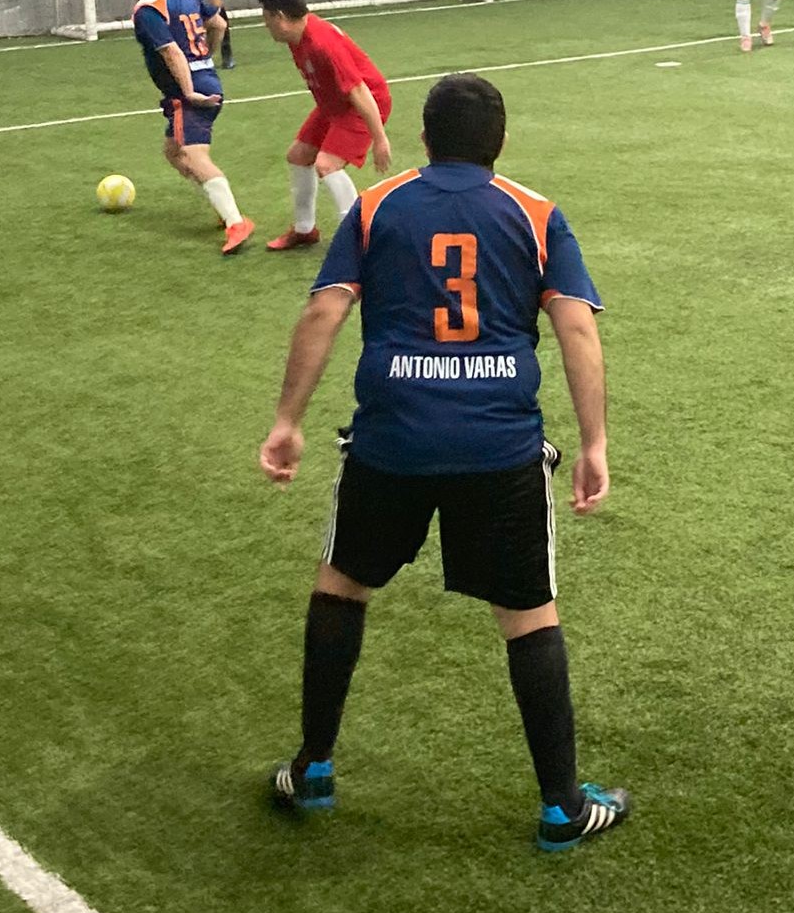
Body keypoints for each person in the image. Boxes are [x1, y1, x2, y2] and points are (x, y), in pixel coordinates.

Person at [258, 72, 631, 852]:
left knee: (342, 586)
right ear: (501, 143)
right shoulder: (536, 213)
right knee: (528, 614)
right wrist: (594, 443)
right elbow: (576, 328)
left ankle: (313, 766)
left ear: (424, 139)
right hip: (499, 449)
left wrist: (287, 420)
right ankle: (561, 806)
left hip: (391, 440)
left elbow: (325, 309)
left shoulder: (377, 205)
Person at [117, 0, 254, 254]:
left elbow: (171, 51)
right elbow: (218, 25)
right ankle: (224, 209)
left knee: (192, 155)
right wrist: (206, 59)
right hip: (205, 80)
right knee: (174, 152)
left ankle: (235, 222)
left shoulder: (147, 9)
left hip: (188, 91)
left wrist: (189, 90)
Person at [258, 0, 393, 251]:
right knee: (299, 156)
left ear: (281, 17)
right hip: (335, 104)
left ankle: (358, 237)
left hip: (363, 104)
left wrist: (380, 139)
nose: (266, 26)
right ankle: (304, 230)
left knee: (327, 165)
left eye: (267, 19)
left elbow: (359, 90)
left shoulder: (322, 43)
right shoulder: (297, 35)